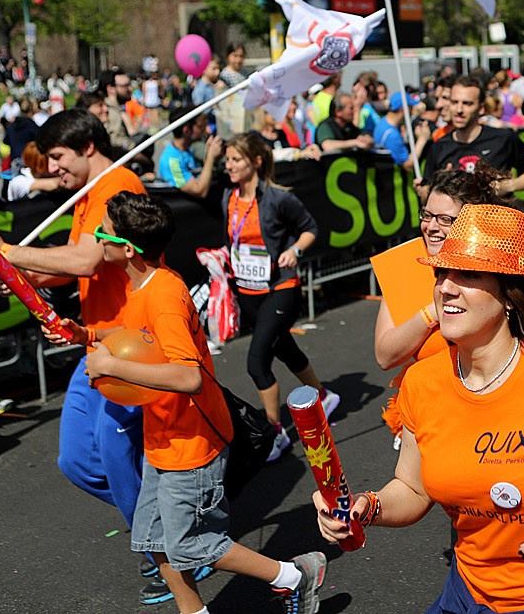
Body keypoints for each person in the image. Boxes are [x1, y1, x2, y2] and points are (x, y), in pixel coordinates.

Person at [317, 204, 524, 613]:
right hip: (467, 595)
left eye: (469, 274)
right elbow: (411, 488)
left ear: (510, 295)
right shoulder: (422, 382)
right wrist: (365, 508)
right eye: (442, 273)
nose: (446, 288)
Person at [46, 191, 327, 614]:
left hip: (191, 446)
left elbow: (189, 376)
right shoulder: (144, 285)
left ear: (126, 249)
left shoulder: (164, 296)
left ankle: (293, 576)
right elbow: (136, 340)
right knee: (154, 542)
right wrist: (86, 335)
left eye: (101, 232)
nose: (95, 238)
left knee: (197, 547)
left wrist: (113, 368)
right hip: (164, 439)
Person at [0, 110, 169, 604]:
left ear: (88, 148)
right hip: (93, 340)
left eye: (58, 158)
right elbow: (78, 267)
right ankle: (166, 523)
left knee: (115, 451)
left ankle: (167, 547)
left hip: (127, 342)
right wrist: (26, 276)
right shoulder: (85, 194)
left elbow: (86, 259)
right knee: (76, 460)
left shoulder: (118, 182)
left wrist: (7, 251)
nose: (52, 169)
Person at [373, 166, 508, 443]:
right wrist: (433, 311)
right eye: (427, 215)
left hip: (488, 408)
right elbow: (385, 356)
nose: (432, 227)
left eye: (446, 219)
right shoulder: (403, 266)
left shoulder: (496, 266)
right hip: (427, 411)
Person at [222, 133, 335, 462]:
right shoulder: (228, 196)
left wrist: (294, 250)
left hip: (281, 288)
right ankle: (323, 396)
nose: (229, 166)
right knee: (283, 346)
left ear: (256, 161)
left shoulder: (277, 198)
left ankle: (275, 432)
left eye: (236, 160)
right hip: (248, 289)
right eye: (227, 159)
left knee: (257, 361)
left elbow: (310, 227)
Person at [417, 77, 524, 203]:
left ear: (481, 108)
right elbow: (426, 196)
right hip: (458, 222)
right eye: (455, 102)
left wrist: (507, 186)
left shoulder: (503, 138)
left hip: (494, 220)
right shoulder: (439, 147)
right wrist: (430, 188)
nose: (459, 110)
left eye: (467, 103)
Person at [156, 107, 222, 198]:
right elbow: (199, 191)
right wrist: (210, 157)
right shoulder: (172, 161)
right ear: (186, 130)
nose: (206, 130)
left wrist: (209, 154)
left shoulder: (185, 150)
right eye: (200, 126)